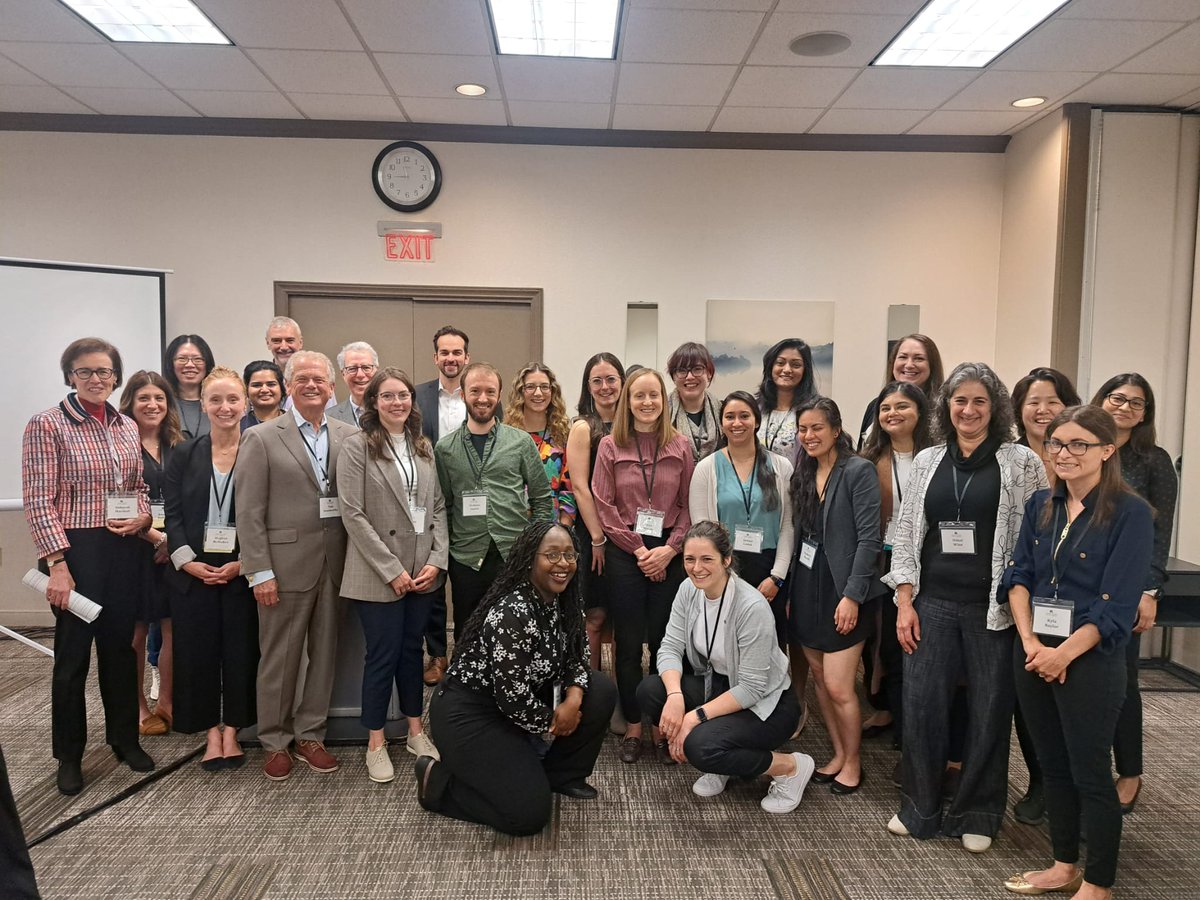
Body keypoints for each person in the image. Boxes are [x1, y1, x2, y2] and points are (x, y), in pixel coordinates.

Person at [884, 362, 1047, 852]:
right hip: (932, 603)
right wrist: (905, 600)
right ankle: (920, 808)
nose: (969, 410)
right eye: (960, 400)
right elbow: (909, 532)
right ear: (946, 406)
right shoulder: (930, 460)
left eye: (979, 401)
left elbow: (1034, 538)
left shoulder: (1022, 462)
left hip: (994, 610)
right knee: (922, 707)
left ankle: (977, 812)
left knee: (990, 709)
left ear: (994, 406)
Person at [1003, 405, 1153, 900]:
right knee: (1053, 766)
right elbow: (1018, 576)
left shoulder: (1131, 514)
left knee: (1090, 772)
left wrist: (1062, 654)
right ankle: (1063, 864)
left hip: (1088, 660)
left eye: (1077, 445)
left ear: (1107, 450)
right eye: (1055, 444)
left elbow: (1117, 605)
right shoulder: (1041, 505)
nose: (1063, 453)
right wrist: (1030, 643)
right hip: (1034, 654)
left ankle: (1098, 882)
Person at [416, 522, 617, 836]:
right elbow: (511, 699)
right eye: (551, 555)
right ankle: (438, 782)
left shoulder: (564, 599)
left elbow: (577, 658)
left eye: (569, 555)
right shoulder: (513, 612)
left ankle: (558, 776)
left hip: (516, 708)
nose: (563, 563)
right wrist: (554, 720)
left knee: (599, 689)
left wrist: (574, 698)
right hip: (469, 716)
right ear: (529, 559)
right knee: (527, 816)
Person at [22, 337, 156, 795]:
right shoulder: (47, 424)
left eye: (104, 371)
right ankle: (70, 756)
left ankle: (124, 740)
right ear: (70, 376)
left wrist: (144, 515)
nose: (96, 379)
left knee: (120, 651)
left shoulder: (124, 425)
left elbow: (137, 484)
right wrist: (57, 564)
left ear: (116, 376)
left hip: (121, 549)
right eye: (86, 372)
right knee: (72, 659)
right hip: (74, 553)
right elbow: (39, 499)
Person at [235, 350, 355, 781]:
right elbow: (248, 511)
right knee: (280, 658)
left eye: (319, 379)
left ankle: (310, 735)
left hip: (335, 562)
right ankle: (274, 740)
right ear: (289, 386)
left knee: (324, 655)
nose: (311, 385)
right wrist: (259, 570)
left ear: (331, 387)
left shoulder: (347, 435)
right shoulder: (263, 437)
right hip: (282, 566)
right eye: (301, 378)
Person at [637, 522, 813, 811]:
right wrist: (675, 696)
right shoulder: (688, 590)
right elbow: (670, 646)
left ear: (727, 559)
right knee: (651, 691)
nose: (697, 568)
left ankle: (790, 766)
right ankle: (722, 757)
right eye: (689, 559)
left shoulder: (751, 607)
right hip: (720, 686)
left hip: (769, 705)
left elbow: (752, 688)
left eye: (707, 559)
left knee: (699, 746)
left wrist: (694, 718)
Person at [337, 367, 446, 783]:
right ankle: (377, 742)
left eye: (403, 395)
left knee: (411, 653)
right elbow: (353, 514)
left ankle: (416, 731)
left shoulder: (422, 446)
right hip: (376, 573)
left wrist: (437, 560)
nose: (397, 402)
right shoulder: (356, 446)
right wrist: (391, 569)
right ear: (373, 403)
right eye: (387, 396)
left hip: (422, 572)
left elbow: (436, 507)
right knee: (380, 657)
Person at [592, 368, 694, 763]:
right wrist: (639, 551)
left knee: (668, 642)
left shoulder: (681, 445)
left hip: (670, 549)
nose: (647, 402)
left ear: (663, 401)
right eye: (639, 396)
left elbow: (688, 504)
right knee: (630, 644)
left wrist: (670, 549)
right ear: (627, 402)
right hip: (626, 551)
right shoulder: (609, 446)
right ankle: (634, 725)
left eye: (654, 395)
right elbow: (605, 505)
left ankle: (664, 726)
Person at [163, 367, 259, 771]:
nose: (225, 407)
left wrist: (246, 563)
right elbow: (173, 513)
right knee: (197, 654)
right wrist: (188, 562)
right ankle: (209, 732)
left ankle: (234, 730)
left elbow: (267, 515)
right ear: (202, 405)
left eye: (233, 399)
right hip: (193, 572)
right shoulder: (184, 452)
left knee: (241, 653)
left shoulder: (260, 449)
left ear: (246, 404)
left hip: (243, 570)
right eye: (216, 400)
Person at [1092, 373, 1178, 817]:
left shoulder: (1154, 460)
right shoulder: (1086, 450)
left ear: (1146, 414)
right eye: (1117, 398)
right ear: (1102, 401)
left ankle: (1130, 771)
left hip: (1127, 588)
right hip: (1080, 583)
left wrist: (1150, 590)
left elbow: (1160, 533)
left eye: (1137, 403)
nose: (1125, 408)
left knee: (1121, 682)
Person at [789, 397, 882, 795]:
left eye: (817, 428)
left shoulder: (859, 471)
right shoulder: (804, 471)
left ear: (837, 430)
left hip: (844, 588)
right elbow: (800, 538)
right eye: (803, 429)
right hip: (808, 584)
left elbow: (869, 539)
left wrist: (853, 596)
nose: (809, 436)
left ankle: (854, 761)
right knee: (823, 683)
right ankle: (840, 753)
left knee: (842, 686)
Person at [1007, 365, 1081, 823]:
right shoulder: (1011, 458)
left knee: (1080, 702)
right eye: (1032, 402)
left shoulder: (1086, 465)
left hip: (1081, 604)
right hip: (1027, 599)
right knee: (1029, 701)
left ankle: (1082, 790)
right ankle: (1041, 781)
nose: (1041, 409)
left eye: (1050, 400)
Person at [435, 362, 554, 645]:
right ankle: (467, 687)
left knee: (516, 630)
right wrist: (453, 546)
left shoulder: (520, 442)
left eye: (490, 391)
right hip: (466, 558)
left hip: (513, 553)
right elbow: (444, 505)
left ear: (499, 396)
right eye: (475, 390)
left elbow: (541, 499)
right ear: (463, 395)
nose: (483, 398)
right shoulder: (445, 448)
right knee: (468, 630)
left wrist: (532, 546)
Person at [857, 382, 933, 767]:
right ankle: (896, 721)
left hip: (931, 564)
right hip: (885, 562)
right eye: (885, 408)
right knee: (888, 645)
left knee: (923, 648)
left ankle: (915, 734)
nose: (892, 414)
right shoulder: (871, 459)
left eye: (902, 406)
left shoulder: (938, 457)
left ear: (921, 412)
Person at [688, 391, 794, 643]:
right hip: (723, 568)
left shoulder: (781, 467)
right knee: (725, 642)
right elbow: (701, 532)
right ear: (722, 423)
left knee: (770, 641)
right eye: (730, 417)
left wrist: (777, 578)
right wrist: (721, 578)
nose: (737, 423)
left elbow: (788, 527)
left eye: (744, 416)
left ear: (756, 421)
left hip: (768, 570)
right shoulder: (706, 468)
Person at [118, 371, 182, 738]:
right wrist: (157, 538)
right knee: (136, 633)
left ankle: (167, 702)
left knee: (174, 630)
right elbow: (117, 505)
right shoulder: (118, 446)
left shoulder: (181, 444)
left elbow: (191, 500)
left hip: (174, 551)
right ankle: (139, 706)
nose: (152, 405)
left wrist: (173, 542)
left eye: (159, 398)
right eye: (144, 398)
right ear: (130, 403)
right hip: (133, 550)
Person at [565, 352, 626, 669]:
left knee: (623, 622)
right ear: (588, 387)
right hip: (595, 535)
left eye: (611, 379)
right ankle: (592, 694)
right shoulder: (582, 428)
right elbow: (579, 488)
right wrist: (598, 538)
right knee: (596, 616)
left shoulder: (636, 424)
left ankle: (622, 695)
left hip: (629, 533)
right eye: (597, 380)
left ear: (622, 382)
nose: (605, 386)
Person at [504, 362, 575, 526]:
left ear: (552, 391)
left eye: (544, 387)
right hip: (514, 527)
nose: (538, 393)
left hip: (553, 527)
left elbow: (569, 489)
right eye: (530, 387)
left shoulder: (564, 436)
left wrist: (564, 530)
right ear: (520, 392)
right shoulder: (507, 437)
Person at [857, 334, 944, 449]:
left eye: (919, 358)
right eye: (903, 357)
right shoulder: (875, 406)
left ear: (932, 366)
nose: (909, 365)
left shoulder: (943, 409)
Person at [755, 338, 818, 465]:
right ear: (770, 367)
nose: (787, 369)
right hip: (756, 483)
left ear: (805, 370)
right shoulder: (755, 408)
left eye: (796, 365)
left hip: (799, 483)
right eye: (780, 363)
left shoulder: (815, 411)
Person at [1013, 367, 1082, 482]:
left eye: (1052, 402)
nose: (1043, 410)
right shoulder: (1005, 459)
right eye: (1034, 402)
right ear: (1019, 410)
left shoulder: (1081, 458)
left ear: (1069, 408)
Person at [666, 341, 721, 462]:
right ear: (673, 377)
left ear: (709, 374)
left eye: (697, 369)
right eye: (681, 370)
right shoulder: (661, 412)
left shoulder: (723, 411)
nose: (690, 376)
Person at [164, 333, 215, 439]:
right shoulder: (162, 403)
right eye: (182, 359)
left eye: (198, 359)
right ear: (170, 364)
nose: (190, 365)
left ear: (207, 364)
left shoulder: (217, 404)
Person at [329, 341, 379, 426]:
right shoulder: (329, 417)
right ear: (343, 374)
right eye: (352, 368)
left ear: (376, 370)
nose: (360, 375)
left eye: (366, 367)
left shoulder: (391, 411)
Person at [240, 360, 285, 432]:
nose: (264, 390)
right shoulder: (238, 427)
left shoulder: (296, 423)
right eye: (257, 385)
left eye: (271, 384)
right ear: (246, 389)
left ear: (281, 388)